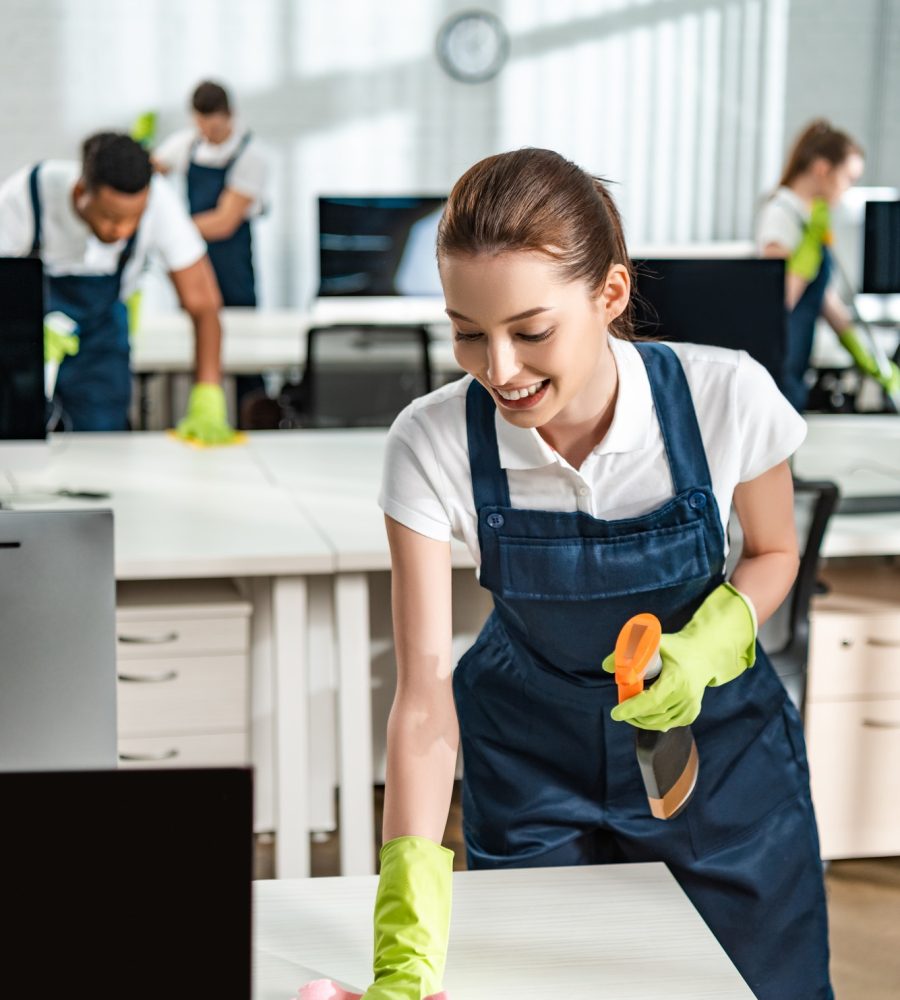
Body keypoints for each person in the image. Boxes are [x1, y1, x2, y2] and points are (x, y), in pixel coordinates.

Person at [319, 149, 832, 1000]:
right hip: (531, 766)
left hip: (717, 762)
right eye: (467, 332)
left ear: (611, 295)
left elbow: (774, 551)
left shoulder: (725, 397)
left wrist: (711, 642)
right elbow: (422, 697)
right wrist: (404, 938)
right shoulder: (432, 440)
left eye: (531, 330)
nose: (500, 370)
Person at [0, 131, 233, 439]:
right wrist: (20, 332)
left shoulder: (160, 202)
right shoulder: (27, 195)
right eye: (110, 217)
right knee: (16, 437)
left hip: (103, 343)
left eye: (133, 219)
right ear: (82, 191)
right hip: (27, 346)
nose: (122, 230)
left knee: (101, 442)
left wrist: (208, 395)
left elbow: (203, 305)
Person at [757, 118, 899, 411]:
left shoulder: (809, 219)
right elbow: (775, 304)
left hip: (794, 370)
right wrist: (806, 254)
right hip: (775, 369)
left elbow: (827, 303)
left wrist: (869, 361)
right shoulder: (781, 214)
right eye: (848, 178)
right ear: (823, 169)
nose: (847, 190)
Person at [153, 80, 269, 422]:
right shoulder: (185, 145)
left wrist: (168, 228)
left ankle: (254, 421)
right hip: (196, 262)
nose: (209, 132)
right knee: (194, 340)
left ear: (229, 115)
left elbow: (224, 221)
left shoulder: (252, 156)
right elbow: (150, 170)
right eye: (202, 124)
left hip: (233, 268)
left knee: (244, 351)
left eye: (215, 125)